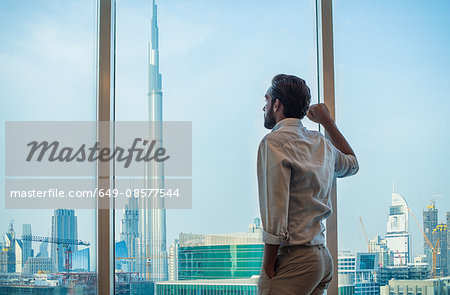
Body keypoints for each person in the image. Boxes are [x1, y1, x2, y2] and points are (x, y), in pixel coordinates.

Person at [257, 74, 359, 295]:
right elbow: (352, 163)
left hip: (295, 259)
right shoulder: (321, 142)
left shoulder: (273, 142)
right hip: (321, 260)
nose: (263, 107)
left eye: (266, 100)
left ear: (276, 104)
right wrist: (327, 122)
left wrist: (268, 266)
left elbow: (275, 211)